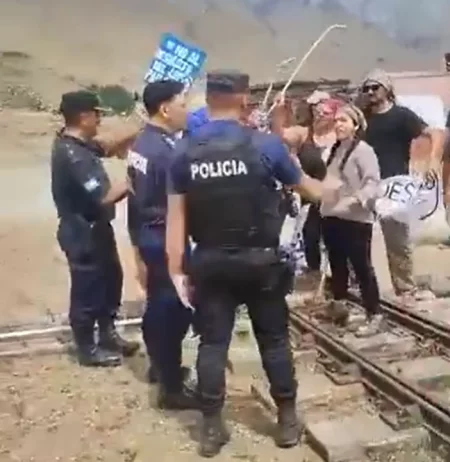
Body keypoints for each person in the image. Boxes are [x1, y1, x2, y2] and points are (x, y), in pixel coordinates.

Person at [166, 70, 341, 457]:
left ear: (207, 100)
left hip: (210, 262)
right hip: (261, 263)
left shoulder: (183, 152)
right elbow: (309, 192)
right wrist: (333, 187)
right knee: (274, 340)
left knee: (212, 344)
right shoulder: (266, 146)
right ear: (244, 100)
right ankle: (288, 420)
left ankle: (212, 427)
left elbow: (176, 217)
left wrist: (176, 269)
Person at [51, 90, 140, 367]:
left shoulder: (79, 144)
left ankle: (108, 334)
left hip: (96, 228)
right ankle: (87, 348)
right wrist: (135, 177)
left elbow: (108, 146)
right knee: (87, 289)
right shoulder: (72, 155)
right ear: (83, 116)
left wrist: (141, 128)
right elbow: (104, 196)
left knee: (111, 280)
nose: (100, 118)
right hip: (82, 232)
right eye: (96, 113)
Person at [127, 80, 195, 408]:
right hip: (167, 237)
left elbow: (132, 195)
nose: (188, 110)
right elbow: (180, 200)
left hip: (149, 235)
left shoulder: (142, 143)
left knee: (157, 304)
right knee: (174, 311)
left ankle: (159, 366)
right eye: (183, 103)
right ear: (166, 109)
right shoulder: (166, 152)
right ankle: (171, 389)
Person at [361, 69, 441, 300]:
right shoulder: (363, 119)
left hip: (394, 185)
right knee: (358, 239)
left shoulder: (402, 116)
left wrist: (432, 161)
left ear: (387, 89)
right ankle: (361, 289)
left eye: (375, 87)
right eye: (366, 88)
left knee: (396, 241)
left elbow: (435, 133)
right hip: (367, 183)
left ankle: (405, 289)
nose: (370, 92)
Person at [321, 104, 382, 336]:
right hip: (332, 216)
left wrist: (355, 200)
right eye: (336, 120)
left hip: (355, 220)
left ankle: (374, 314)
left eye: (344, 120)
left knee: (361, 267)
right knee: (337, 267)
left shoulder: (364, 151)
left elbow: (373, 183)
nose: (338, 124)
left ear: (356, 125)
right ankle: (340, 308)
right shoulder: (333, 150)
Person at [272, 91, 340, 282]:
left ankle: (343, 279)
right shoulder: (304, 133)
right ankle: (314, 275)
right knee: (310, 236)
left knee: (338, 238)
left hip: (337, 194)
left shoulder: (340, 134)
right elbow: (280, 135)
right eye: (316, 111)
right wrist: (279, 110)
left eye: (324, 111)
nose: (319, 115)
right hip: (309, 194)